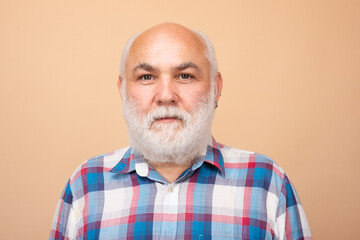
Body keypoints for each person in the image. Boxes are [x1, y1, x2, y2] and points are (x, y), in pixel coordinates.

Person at [49, 23, 311, 240]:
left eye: (185, 76)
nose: (165, 96)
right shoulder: (85, 184)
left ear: (215, 87)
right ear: (123, 90)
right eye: (146, 77)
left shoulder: (267, 183)